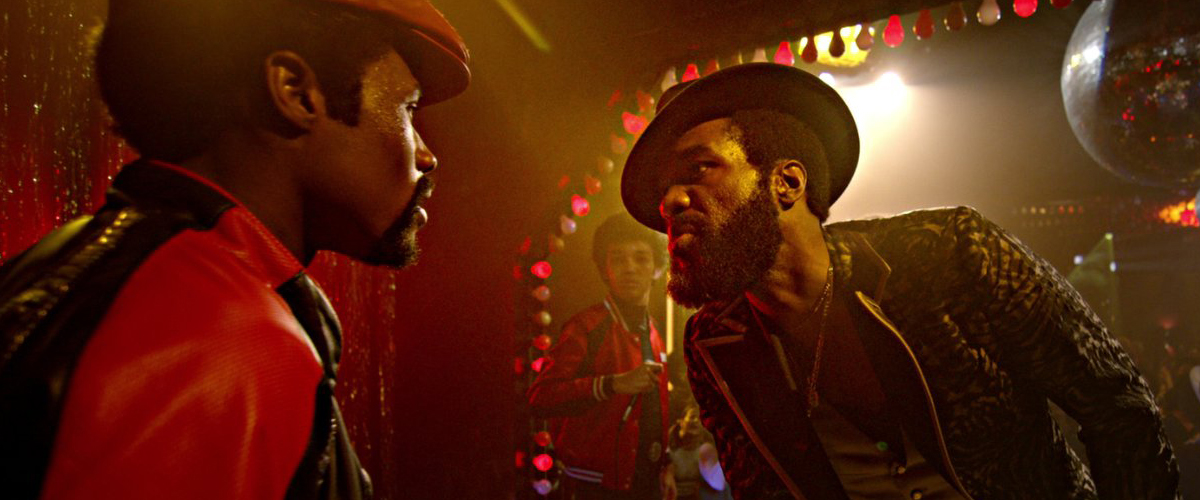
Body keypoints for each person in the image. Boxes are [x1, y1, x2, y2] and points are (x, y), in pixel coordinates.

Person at [619, 62, 1179, 499]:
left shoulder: (950, 253)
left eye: (699, 168)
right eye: (663, 189)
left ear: (786, 182)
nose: (670, 201)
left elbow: (1119, 407)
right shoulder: (714, 343)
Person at [0, 0, 469, 498]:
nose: (427, 155)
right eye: (408, 108)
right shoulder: (219, 336)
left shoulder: (82, 269)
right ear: (296, 92)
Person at [528, 213, 675, 500]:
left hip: (645, 482)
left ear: (657, 269)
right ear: (605, 269)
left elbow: (655, 409)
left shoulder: (654, 331)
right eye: (618, 259)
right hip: (593, 487)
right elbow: (540, 397)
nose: (629, 268)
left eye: (641, 258)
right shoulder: (586, 328)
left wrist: (665, 465)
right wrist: (612, 384)